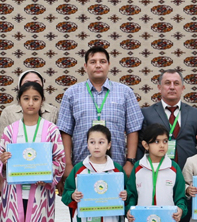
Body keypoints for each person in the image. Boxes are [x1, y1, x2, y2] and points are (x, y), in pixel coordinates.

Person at [0, 81, 66, 222]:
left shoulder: (51, 129)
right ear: (19, 102)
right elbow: (0, 158)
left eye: (35, 99)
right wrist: (3, 160)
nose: (31, 103)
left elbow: (60, 159)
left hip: (40, 195)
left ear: (42, 102)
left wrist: (48, 175)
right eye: (26, 99)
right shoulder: (10, 130)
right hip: (13, 196)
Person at [57, 45, 144, 181]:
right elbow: (65, 131)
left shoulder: (125, 92)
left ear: (109, 65)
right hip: (81, 167)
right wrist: (67, 163)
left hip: (117, 166)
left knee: (115, 201)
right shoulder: (71, 93)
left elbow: (133, 129)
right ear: (85, 66)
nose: (98, 65)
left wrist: (130, 161)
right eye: (93, 62)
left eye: (102, 61)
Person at [141, 69, 197, 222]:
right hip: (156, 178)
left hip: (186, 178)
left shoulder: (196, 114)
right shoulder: (146, 113)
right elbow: (141, 147)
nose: (172, 87)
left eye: (176, 83)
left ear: (183, 87)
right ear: (159, 87)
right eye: (167, 83)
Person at [62, 125, 128, 222]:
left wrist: (125, 196)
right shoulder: (79, 169)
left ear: (109, 145)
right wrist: (73, 196)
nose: (96, 146)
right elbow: (66, 194)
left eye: (101, 142)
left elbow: (129, 195)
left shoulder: (117, 170)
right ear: (87, 144)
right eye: (92, 142)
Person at [0, 70, 60, 161]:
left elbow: (59, 152)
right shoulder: (9, 113)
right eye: (27, 83)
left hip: (44, 171)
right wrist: (2, 163)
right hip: (17, 170)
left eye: (36, 82)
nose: (31, 103)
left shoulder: (53, 112)